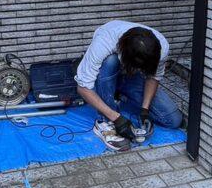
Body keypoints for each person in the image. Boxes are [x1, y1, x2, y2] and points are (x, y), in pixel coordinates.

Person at [75, 21, 184, 151]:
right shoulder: (104, 42)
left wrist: (145, 109)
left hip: (130, 75)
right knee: (110, 61)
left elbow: (153, 77)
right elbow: (83, 88)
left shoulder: (161, 48)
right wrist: (116, 119)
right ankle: (104, 121)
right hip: (107, 72)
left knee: (173, 120)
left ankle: (120, 91)